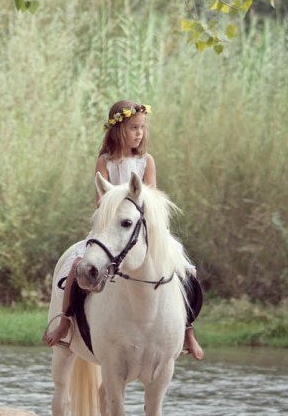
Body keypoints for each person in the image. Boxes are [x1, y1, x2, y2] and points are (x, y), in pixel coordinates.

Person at [43, 100, 204, 359]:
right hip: (111, 231)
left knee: (187, 271)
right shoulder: (104, 162)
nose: (139, 133)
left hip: (144, 231)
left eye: (142, 127)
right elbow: (103, 203)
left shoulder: (146, 161)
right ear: (118, 129)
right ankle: (65, 321)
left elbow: (151, 201)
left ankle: (187, 328)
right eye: (133, 127)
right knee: (76, 266)